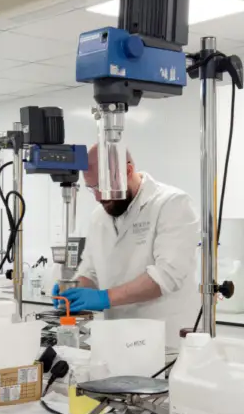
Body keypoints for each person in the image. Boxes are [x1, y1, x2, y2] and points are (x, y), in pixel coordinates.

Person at [56, 148, 200, 347]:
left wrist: (104, 297)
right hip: (118, 340)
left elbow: (167, 276)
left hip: (166, 342)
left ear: (129, 171)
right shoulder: (99, 216)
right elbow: (90, 272)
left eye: (101, 186)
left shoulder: (172, 203)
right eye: (91, 188)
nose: (98, 197)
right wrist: (72, 290)